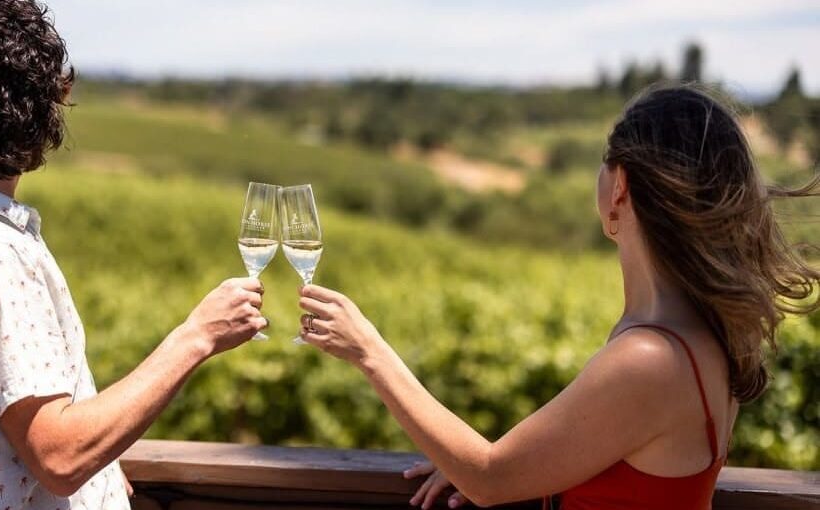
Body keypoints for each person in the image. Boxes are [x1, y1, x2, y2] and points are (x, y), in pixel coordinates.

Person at [296, 85, 819, 509]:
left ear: (621, 187)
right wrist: (465, 456)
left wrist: (368, 350)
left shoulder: (652, 358)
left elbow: (488, 478)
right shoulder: (699, 331)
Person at [0, 1, 267, 509]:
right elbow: (59, 456)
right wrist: (197, 337)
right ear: (28, 111)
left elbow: (12, 424)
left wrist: (101, 465)